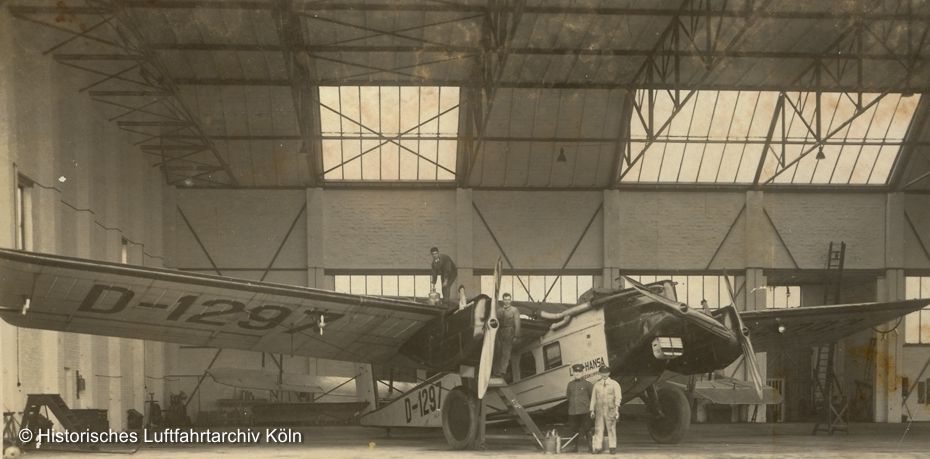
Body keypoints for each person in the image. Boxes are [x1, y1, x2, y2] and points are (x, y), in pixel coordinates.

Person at [589, 366, 621, 454]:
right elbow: (593, 398)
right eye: (602, 372)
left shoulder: (614, 384)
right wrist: (592, 410)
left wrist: (617, 410)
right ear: (599, 374)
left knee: (611, 428)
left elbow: (618, 397)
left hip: (610, 409)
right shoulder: (596, 385)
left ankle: (612, 447)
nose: (604, 374)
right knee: (598, 429)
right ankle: (597, 447)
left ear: (609, 373)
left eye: (606, 372)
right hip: (599, 410)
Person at [565, 364, 593, 452]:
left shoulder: (588, 384)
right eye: (575, 372)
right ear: (573, 373)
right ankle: (574, 447)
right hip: (573, 411)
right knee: (574, 429)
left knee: (588, 429)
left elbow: (592, 397)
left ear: (583, 372)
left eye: (579, 372)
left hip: (585, 411)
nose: (577, 373)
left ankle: (591, 447)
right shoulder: (570, 385)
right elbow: (568, 397)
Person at [492, 292, 521, 377]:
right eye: (505, 300)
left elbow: (517, 323)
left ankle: (502, 372)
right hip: (500, 332)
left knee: (506, 352)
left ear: (510, 300)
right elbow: (495, 321)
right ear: (503, 300)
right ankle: (495, 371)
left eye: (509, 299)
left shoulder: (514, 310)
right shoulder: (499, 311)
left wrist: (516, 336)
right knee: (497, 352)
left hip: (509, 331)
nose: (507, 301)